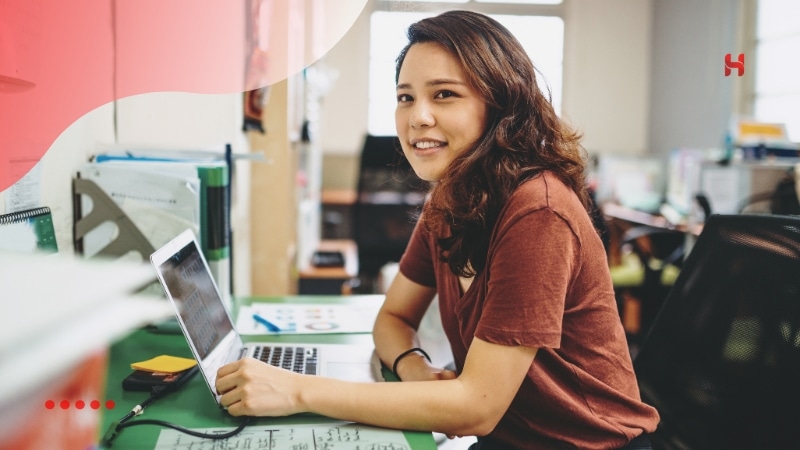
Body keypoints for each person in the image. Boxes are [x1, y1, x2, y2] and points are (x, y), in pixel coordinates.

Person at [215, 10, 660, 449]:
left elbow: (476, 408)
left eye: (444, 94)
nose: (418, 117)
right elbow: (393, 318)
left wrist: (297, 391)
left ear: (500, 105)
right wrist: (415, 369)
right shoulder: (450, 200)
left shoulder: (538, 211)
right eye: (405, 97)